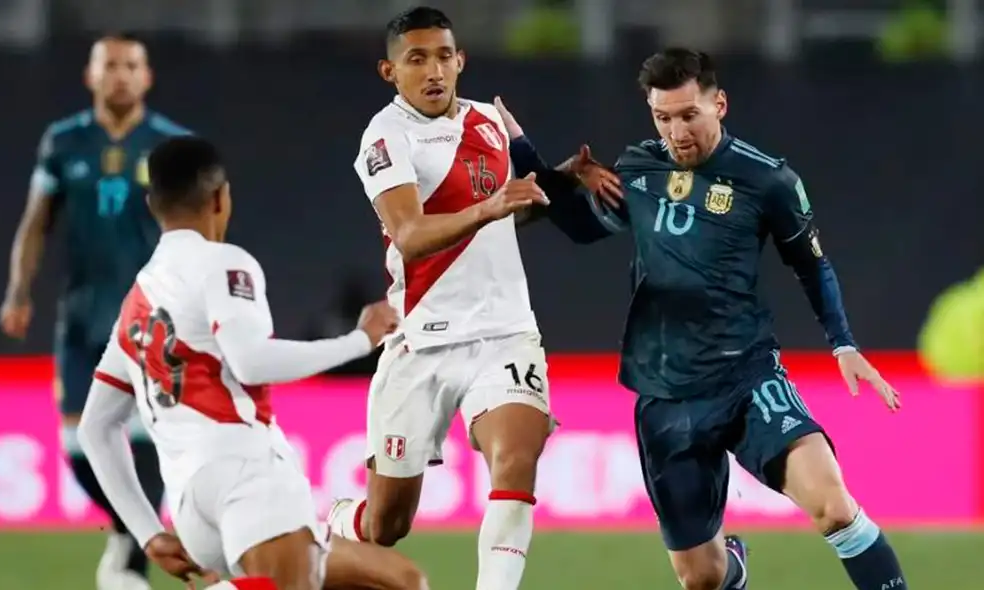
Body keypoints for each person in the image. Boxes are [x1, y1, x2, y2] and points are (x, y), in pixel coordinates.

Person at [498, 48, 908, 590]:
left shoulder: (769, 181)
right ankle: (733, 566)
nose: (676, 131)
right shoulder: (639, 168)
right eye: (663, 117)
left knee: (834, 507)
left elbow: (812, 266)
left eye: (689, 114)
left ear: (719, 104)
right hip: (664, 394)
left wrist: (843, 344)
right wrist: (525, 151)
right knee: (702, 577)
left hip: (746, 377)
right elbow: (578, 226)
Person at [77, 136, 428, 590]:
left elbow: (94, 428)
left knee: (403, 582)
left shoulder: (136, 304)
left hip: (192, 510)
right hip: (244, 477)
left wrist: (148, 534)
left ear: (152, 205)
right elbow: (251, 362)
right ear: (221, 198)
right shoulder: (223, 264)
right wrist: (358, 340)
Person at [326, 6, 552, 590]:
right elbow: (410, 235)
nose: (433, 70)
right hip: (422, 342)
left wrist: (556, 187)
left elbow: (506, 216)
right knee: (385, 525)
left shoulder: (490, 122)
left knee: (517, 458)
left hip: (505, 333)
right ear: (389, 71)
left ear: (461, 61)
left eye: (444, 56)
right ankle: (327, 523)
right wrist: (489, 207)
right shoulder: (385, 136)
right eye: (416, 59)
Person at [0, 33, 191, 590]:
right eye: (110, 66)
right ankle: (127, 530)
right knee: (78, 446)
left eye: (131, 65)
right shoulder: (63, 142)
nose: (120, 76)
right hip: (82, 319)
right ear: (91, 75)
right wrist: (18, 291)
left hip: (151, 319)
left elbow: (199, 227)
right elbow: (37, 222)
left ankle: (132, 558)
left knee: (146, 438)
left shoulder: (173, 146)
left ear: (146, 77)